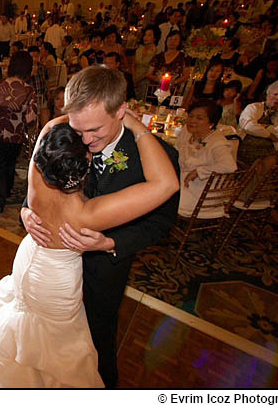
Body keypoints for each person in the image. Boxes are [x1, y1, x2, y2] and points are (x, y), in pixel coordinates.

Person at [0, 107, 179, 387]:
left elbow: (51, 125)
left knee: (26, 329)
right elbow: (166, 183)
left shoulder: (36, 175)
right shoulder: (87, 214)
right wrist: (132, 123)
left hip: (29, 257)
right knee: (56, 346)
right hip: (57, 281)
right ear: (86, 160)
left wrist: (79, 113)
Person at [20, 66, 180, 387]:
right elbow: (45, 170)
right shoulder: (64, 132)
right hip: (53, 270)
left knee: (98, 337)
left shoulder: (159, 156)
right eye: (78, 129)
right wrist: (26, 211)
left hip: (104, 269)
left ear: (121, 110)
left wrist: (110, 244)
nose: (85, 140)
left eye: (94, 130)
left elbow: (160, 223)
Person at [0, 51, 38, 213]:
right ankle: (7, 190)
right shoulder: (29, 90)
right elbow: (31, 118)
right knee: (10, 163)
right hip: (15, 135)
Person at [175, 100, 237, 217]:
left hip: (202, 191)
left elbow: (230, 166)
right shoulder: (187, 131)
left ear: (211, 123)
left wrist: (199, 172)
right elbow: (177, 150)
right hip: (183, 179)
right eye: (191, 116)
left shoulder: (217, 143)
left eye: (199, 118)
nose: (192, 121)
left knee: (161, 195)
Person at [237, 79, 278, 176]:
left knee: (268, 164)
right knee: (257, 168)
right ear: (268, 94)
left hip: (269, 150)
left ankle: (254, 187)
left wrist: (267, 126)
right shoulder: (253, 107)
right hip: (246, 147)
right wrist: (270, 135)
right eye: (275, 94)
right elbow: (248, 126)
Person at [145, 30, 190, 104]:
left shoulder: (183, 57)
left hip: (174, 91)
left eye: (175, 40)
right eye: (170, 39)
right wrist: (160, 79)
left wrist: (173, 82)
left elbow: (186, 75)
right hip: (156, 90)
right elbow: (149, 74)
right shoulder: (158, 57)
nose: (172, 42)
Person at [132, 25, 160, 100]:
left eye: (149, 35)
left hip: (146, 81)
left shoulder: (156, 52)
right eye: (145, 35)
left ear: (155, 38)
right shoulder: (139, 49)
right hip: (135, 78)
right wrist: (134, 77)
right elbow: (133, 64)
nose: (146, 37)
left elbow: (151, 71)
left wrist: (138, 79)